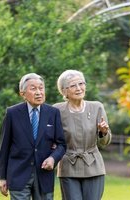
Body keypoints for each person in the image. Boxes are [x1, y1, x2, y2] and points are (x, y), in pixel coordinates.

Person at [0, 73, 66, 200]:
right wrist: (2, 177)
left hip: (44, 175)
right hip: (18, 174)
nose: (39, 92)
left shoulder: (53, 113)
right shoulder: (12, 113)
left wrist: (53, 158)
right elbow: (4, 147)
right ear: (22, 93)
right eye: (33, 88)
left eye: (41, 88)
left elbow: (62, 144)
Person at [53, 69, 112, 200]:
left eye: (81, 83)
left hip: (94, 166)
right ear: (64, 91)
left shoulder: (97, 107)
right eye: (73, 85)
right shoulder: (57, 110)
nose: (79, 88)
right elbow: (50, 137)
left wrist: (104, 132)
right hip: (68, 165)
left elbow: (105, 142)